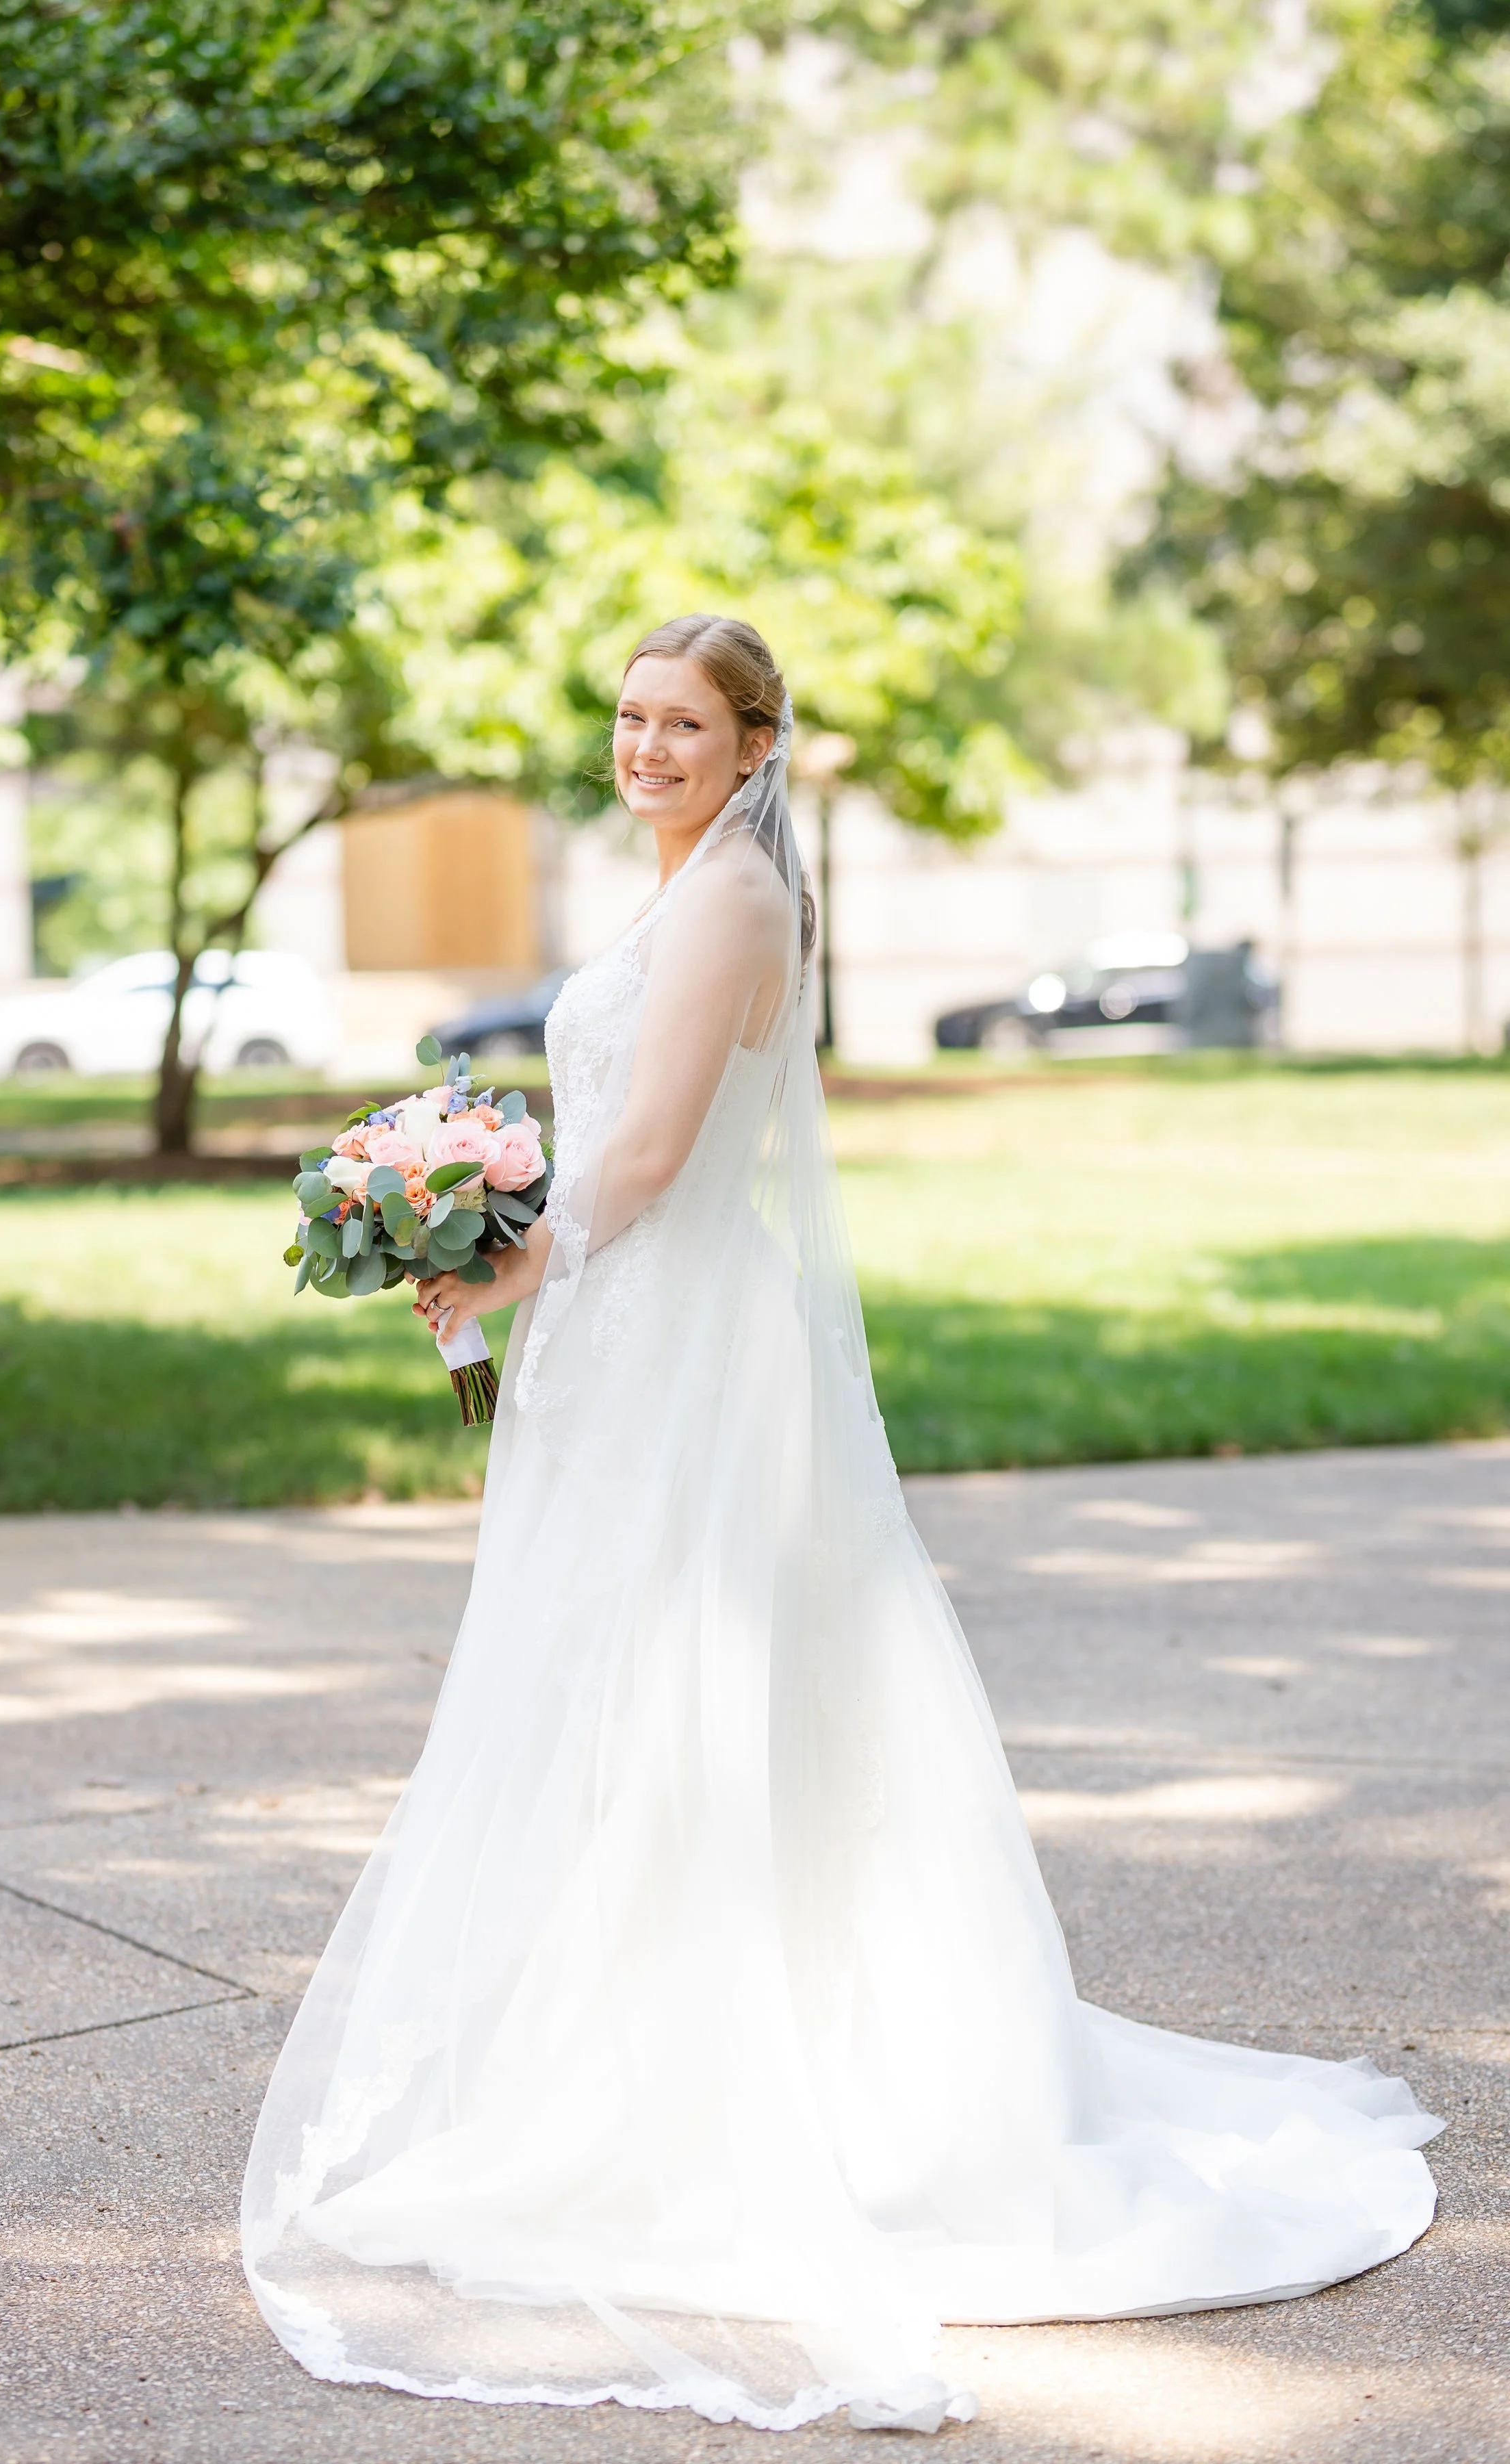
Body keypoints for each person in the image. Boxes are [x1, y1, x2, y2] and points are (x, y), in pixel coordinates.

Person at [242, 615, 1439, 2435]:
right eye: (631, 718)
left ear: (750, 744)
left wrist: (502, 1258)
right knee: (610, 1701)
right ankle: (612, 2063)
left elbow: (639, 1164)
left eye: (683, 723)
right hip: (625, 1326)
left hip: (681, 1336)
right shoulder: (680, 885)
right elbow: (606, 1140)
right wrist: (492, 1242)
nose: (647, 746)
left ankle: (731, 2099)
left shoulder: (730, 904)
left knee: (694, 1698)